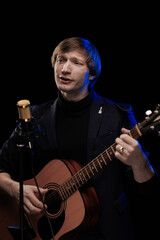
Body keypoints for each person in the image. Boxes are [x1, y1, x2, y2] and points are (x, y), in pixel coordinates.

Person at [0, 37, 159, 240]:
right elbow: (2, 167)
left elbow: (148, 194)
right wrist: (15, 190)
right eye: (60, 59)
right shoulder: (35, 116)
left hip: (106, 230)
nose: (65, 69)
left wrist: (139, 163)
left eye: (76, 62)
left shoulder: (117, 115)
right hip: (45, 232)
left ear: (92, 74)